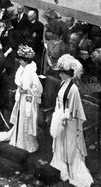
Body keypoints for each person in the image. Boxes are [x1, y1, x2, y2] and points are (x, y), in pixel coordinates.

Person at [50, 54, 93, 187]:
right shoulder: (63, 83)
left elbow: (75, 110)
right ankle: (62, 167)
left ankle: (72, 171)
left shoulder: (73, 89)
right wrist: (58, 115)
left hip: (70, 121)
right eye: (60, 73)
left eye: (62, 73)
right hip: (62, 118)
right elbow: (60, 101)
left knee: (70, 145)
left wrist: (65, 118)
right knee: (61, 143)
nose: (60, 75)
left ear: (68, 74)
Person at [0, 44, 43, 152]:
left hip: (28, 99)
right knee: (21, 117)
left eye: (21, 60)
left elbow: (37, 88)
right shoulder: (22, 68)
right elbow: (20, 82)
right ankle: (18, 138)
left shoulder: (31, 71)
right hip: (22, 98)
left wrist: (26, 91)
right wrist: (20, 90)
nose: (19, 62)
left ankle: (26, 143)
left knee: (26, 118)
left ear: (25, 60)